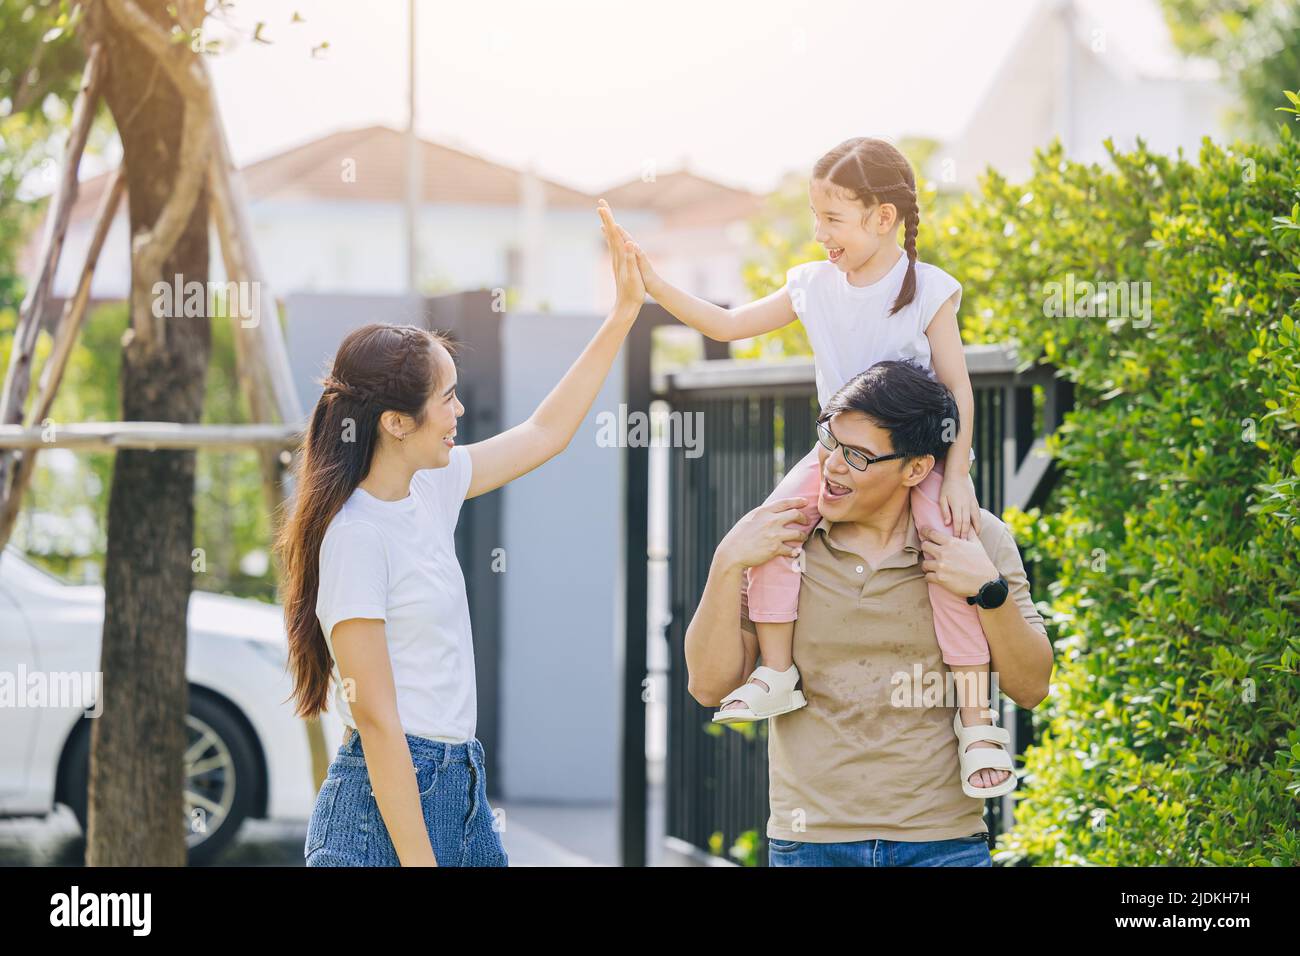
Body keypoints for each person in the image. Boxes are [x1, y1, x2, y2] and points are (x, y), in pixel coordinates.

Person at [611, 137, 1014, 797]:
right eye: (816, 217)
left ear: (882, 218)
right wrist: (652, 281)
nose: (820, 233)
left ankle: (976, 718)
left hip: (909, 459)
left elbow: (958, 389)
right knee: (775, 528)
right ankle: (776, 673)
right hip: (835, 450)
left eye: (833, 218)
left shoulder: (929, 290)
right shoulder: (811, 285)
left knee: (951, 554)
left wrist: (958, 472)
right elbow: (726, 324)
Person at [278, 200, 643, 866]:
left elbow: (545, 433)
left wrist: (620, 316)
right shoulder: (355, 537)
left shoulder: (430, 487)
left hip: (460, 787)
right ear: (394, 422)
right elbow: (379, 722)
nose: (460, 410)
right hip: (382, 813)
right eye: (446, 397)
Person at [683, 360, 1054, 866]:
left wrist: (987, 590)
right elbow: (708, 686)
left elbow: (1031, 686)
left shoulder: (976, 537)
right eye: (830, 443)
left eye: (857, 456)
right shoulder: (780, 542)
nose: (834, 465)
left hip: (942, 844)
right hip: (809, 844)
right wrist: (726, 561)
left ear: (916, 468)